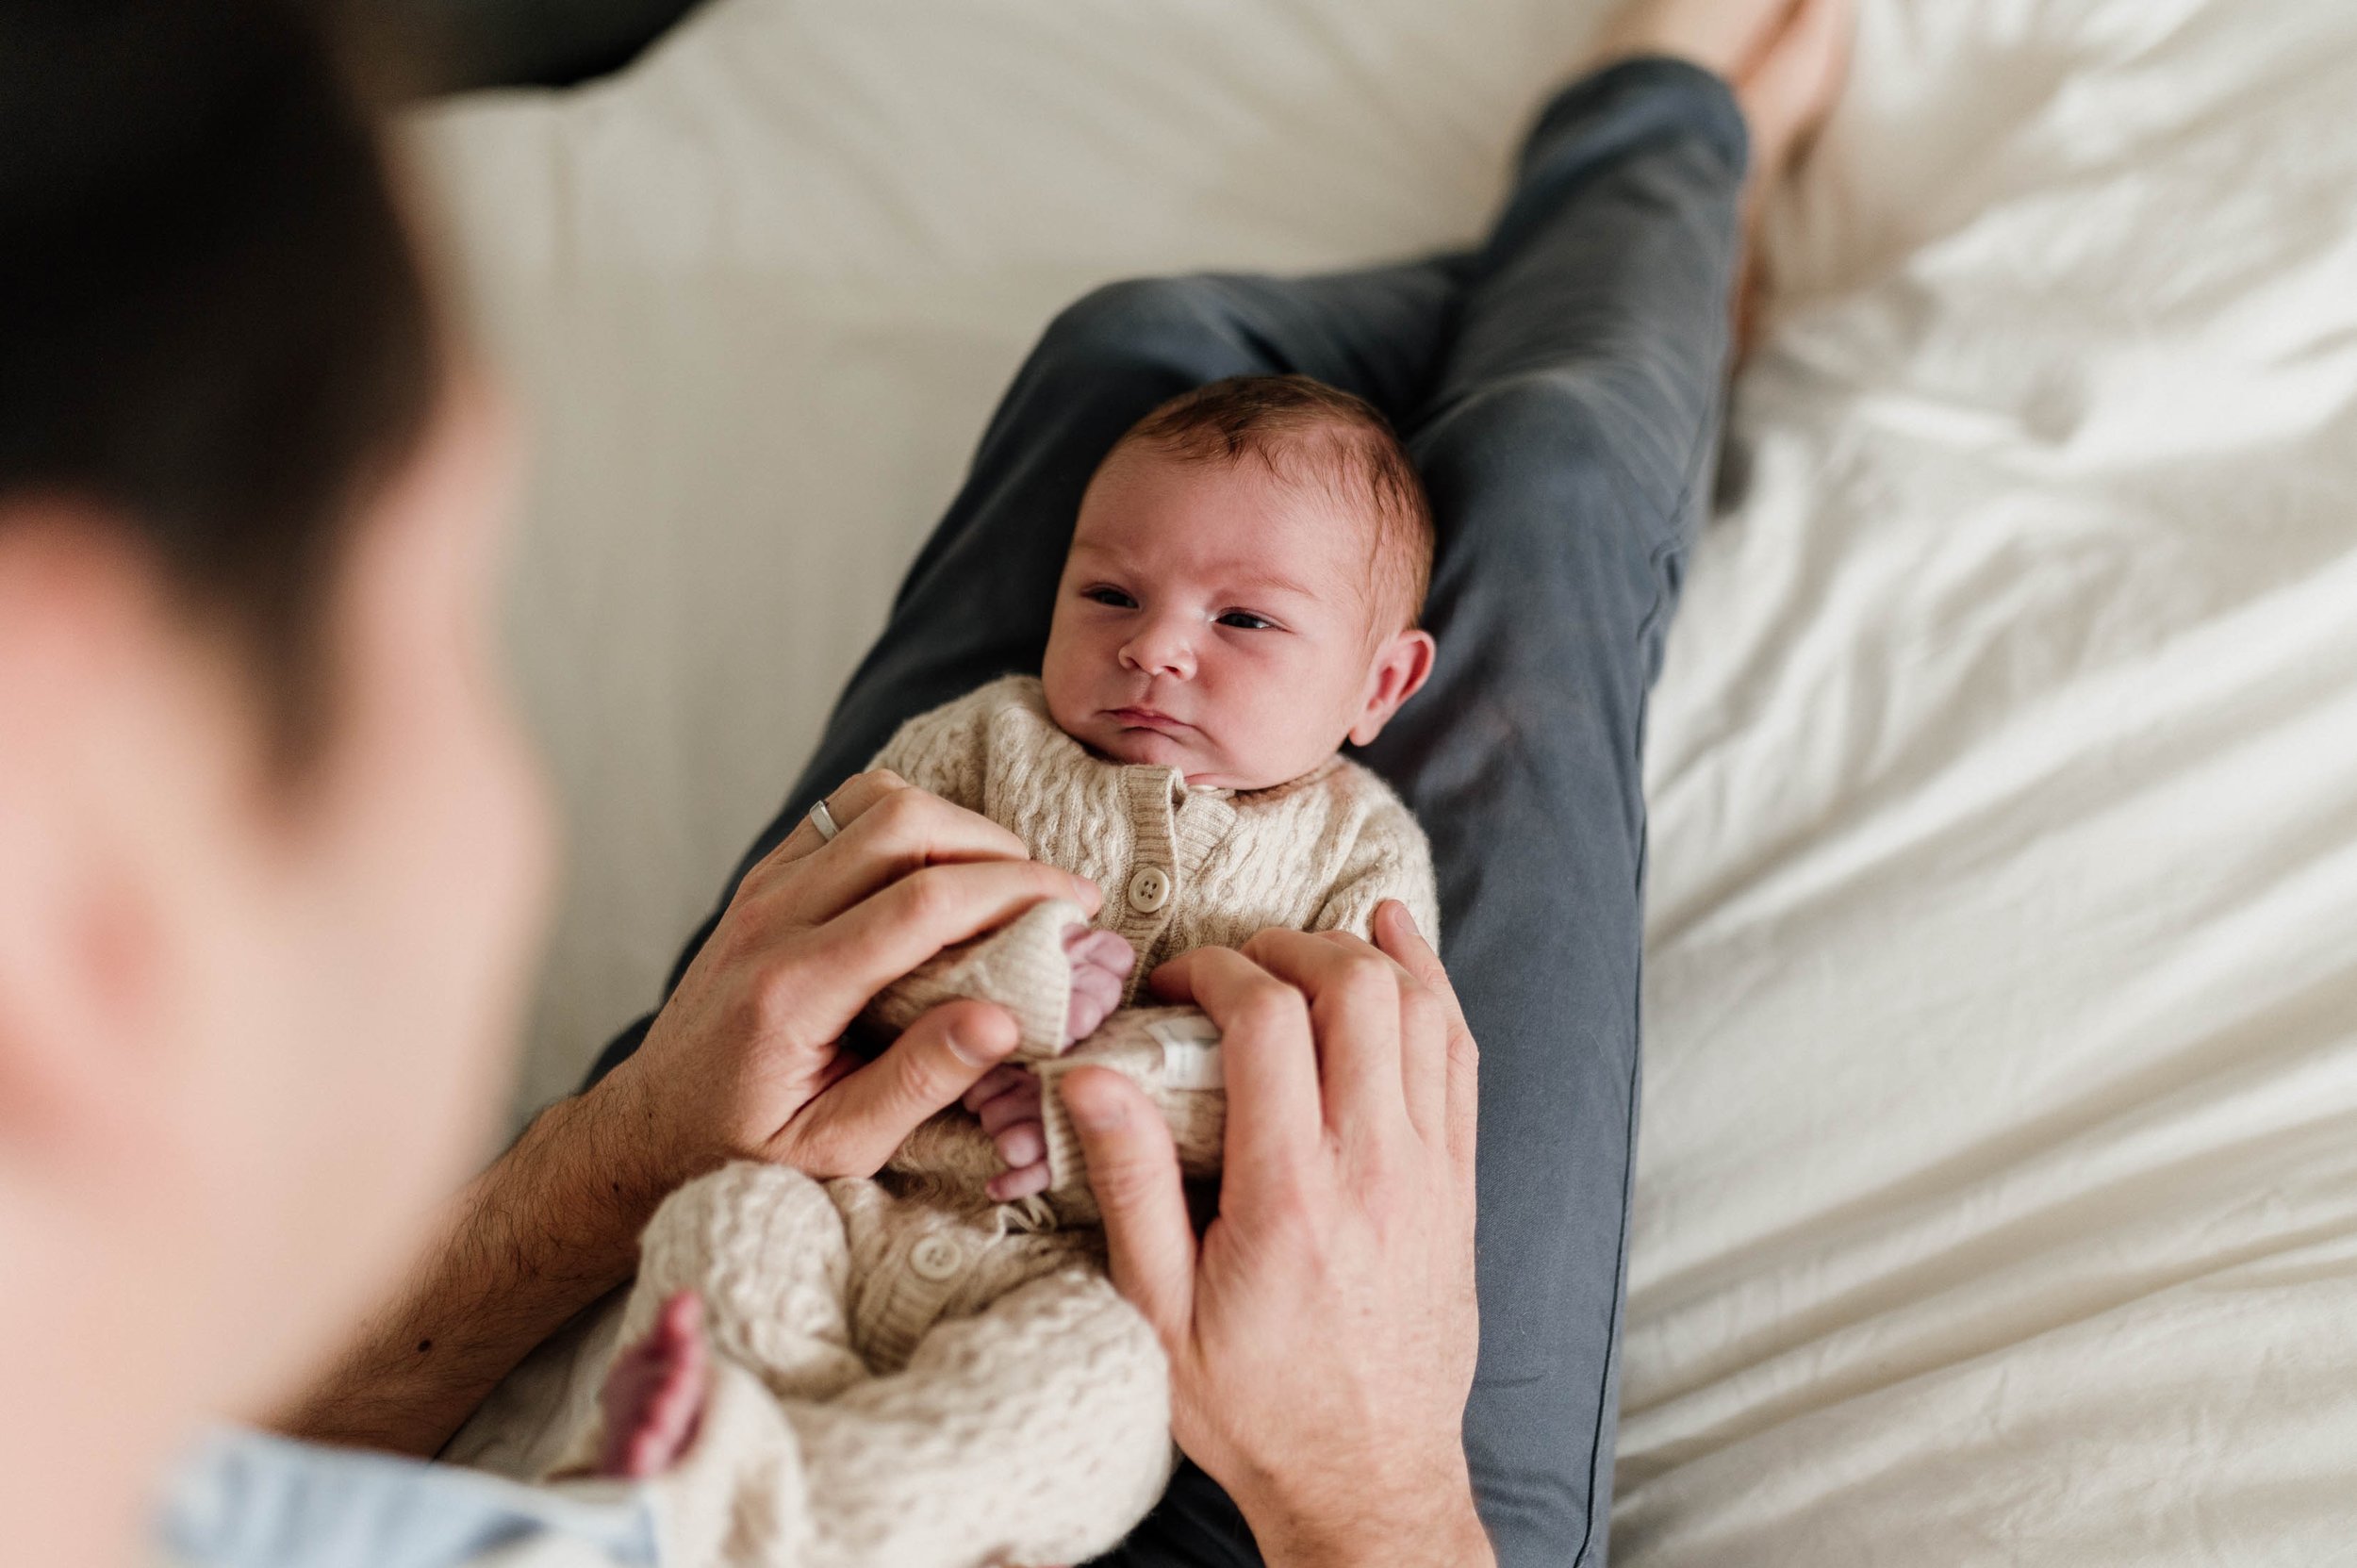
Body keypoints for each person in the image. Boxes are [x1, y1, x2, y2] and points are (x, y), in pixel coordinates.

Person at [0, 2, 1488, 1566]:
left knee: (1145, 349)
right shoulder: (991, 731)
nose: (507, 810)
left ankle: (1584, 230)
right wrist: (1379, 1501)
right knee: (1429, 423)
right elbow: (902, 865)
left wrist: (623, 1149)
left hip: (1021, 1253)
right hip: (931, 1235)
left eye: (1240, 624)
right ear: (69, 852)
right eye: (452, 621)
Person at [522, 373, 1446, 1568]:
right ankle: (698, 1449)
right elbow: (844, 926)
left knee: (1087, 1404)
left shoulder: (1358, 853)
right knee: (726, 1217)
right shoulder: (980, 741)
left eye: (1245, 621)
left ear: (1378, 684)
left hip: (1092, 1271)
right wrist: (1014, 975)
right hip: (858, 1192)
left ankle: (766, 1513)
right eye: (1109, 592)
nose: (1154, 645)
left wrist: (1119, 1087)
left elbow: (1332, 1083)